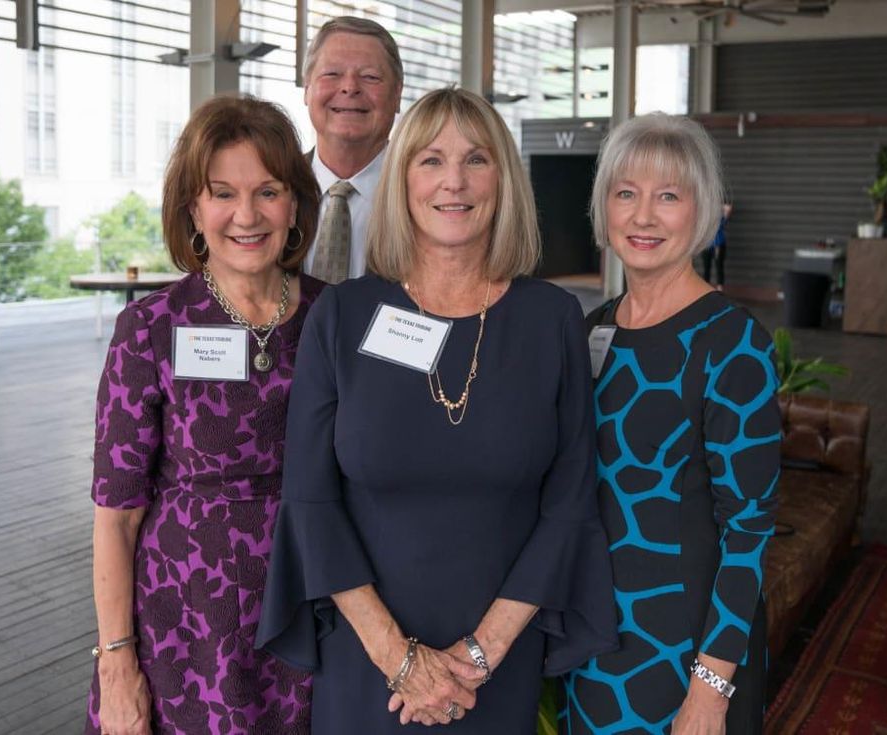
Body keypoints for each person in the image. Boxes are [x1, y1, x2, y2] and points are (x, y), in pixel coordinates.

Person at [254, 87, 618, 734]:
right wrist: (399, 657)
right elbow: (309, 500)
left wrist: (479, 655)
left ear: (503, 179)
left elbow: (569, 504)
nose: (454, 180)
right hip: (366, 657)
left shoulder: (553, 320)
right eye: (430, 160)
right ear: (402, 179)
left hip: (497, 664)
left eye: (476, 159)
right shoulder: (341, 315)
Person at [84, 94, 324, 735]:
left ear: (295, 204)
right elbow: (117, 518)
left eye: (268, 191)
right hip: (186, 638)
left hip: (315, 619)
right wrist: (116, 666)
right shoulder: (150, 329)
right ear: (193, 208)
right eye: (222, 193)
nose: (246, 215)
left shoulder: (335, 317)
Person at [563, 113, 780, 734]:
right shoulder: (593, 327)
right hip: (596, 634)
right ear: (604, 208)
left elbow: (749, 532)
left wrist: (711, 690)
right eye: (625, 193)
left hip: (687, 647)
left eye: (668, 196)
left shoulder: (734, 343)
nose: (643, 217)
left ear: (703, 209)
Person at [302, 16, 403, 283]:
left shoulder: (428, 196)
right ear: (306, 89)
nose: (349, 87)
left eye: (370, 77)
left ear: (397, 95)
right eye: (332, 74)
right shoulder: (273, 188)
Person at [701, 201, 731, 290]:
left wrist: (725, 209)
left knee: (719, 266)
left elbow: (728, 210)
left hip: (719, 244)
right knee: (706, 266)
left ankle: (719, 288)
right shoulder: (705, 217)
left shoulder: (720, 216)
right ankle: (705, 289)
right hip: (707, 244)